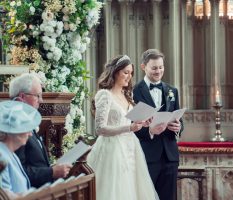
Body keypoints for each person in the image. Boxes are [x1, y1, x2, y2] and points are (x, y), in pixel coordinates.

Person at [86, 55, 159, 200]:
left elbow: (127, 122)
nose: (129, 76)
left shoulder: (127, 95)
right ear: (115, 72)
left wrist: (142, 123)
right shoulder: (105, 95)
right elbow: (100, 129)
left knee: (133, 189)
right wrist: (129, 128)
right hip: (112, 149)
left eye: (131, 73)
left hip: (131, 147)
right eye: (126, 72)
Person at [133, 49, 184, 200]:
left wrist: (178, 127)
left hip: (170, 156)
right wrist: (150, 131)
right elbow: (130, 126)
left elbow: (178, 119)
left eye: (161, 67)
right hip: (147, 155)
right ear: (143, 67)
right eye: (154, 68)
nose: (159, 71)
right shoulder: (134, 91)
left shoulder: (172, 90)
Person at [9, 73, 72, 188]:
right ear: (22, 97)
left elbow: (35, 163)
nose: (41, 101)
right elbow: (19, 172)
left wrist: (52, 168)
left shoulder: (27, 122)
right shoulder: (15, 127)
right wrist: (52, 172)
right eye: (37, 96)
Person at [0, 100, 41, 194]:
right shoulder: (1, 156)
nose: (31, 134)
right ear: (15, 131)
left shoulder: (11, 154)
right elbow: (5, 195)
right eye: (27, 128)